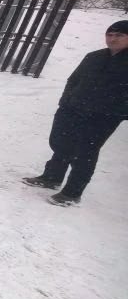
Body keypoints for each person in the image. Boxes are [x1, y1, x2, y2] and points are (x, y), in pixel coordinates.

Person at [23, 21, 128, 206]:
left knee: (85, 152)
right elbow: (73, 80)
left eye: (119, 35)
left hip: (103, 117)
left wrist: (115, 111)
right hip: (72, 109)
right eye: (109, 35)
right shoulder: (94, 57)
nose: (112, 39)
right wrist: (65, 102)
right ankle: (52, 177)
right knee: (61, 143)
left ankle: (72, 193)